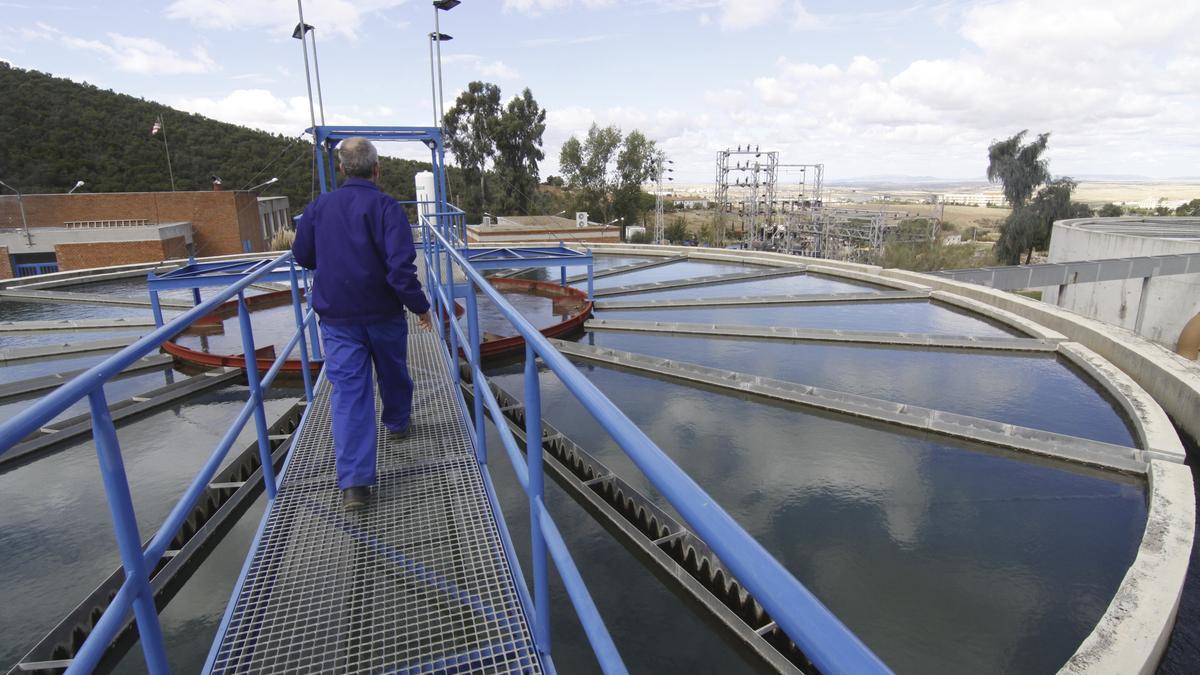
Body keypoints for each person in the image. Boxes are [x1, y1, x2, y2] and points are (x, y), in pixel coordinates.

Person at [292, 137, 433, 511]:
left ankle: (355, 485)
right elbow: (402, 270)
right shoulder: (388, 208)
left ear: (341, 168)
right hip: (384, 314)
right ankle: (398, 424)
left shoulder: (319, 208)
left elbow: (302, 255)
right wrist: (421, 307)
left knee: (349, 393)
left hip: (338, 319)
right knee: (394, 372)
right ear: (376, 168)